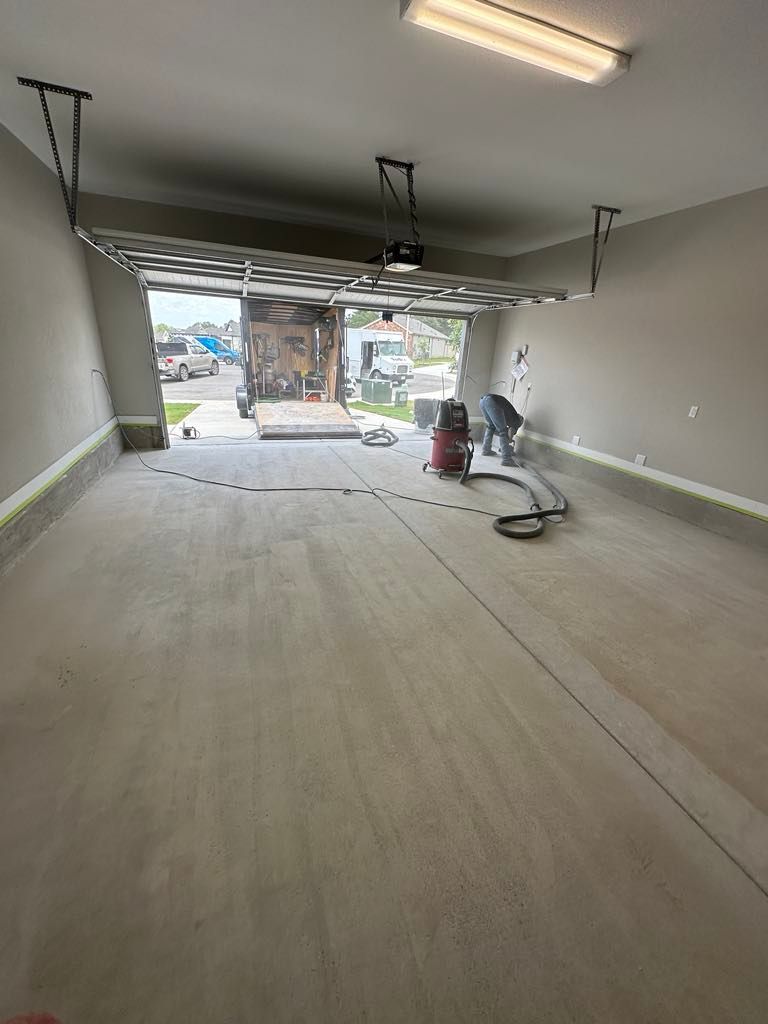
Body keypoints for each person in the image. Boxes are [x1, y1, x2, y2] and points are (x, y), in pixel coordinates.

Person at [479, 392, 523, 466]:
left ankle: (486, 450)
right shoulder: (516, 421)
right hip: (491, 401)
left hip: (483, 401)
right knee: (503, 431)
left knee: (491, 426)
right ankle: (507, 459)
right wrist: (508, 446)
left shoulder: (512, 414)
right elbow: (509, 433)